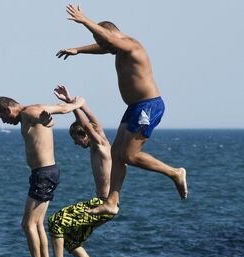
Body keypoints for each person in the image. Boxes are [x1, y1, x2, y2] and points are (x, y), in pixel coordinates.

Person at [56, 4, 187, 216]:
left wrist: (84, 20)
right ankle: (111, 202)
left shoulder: (131, 45)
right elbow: (105, 44)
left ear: (110, 35)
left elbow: (108, 41)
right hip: (134, 107)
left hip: (148, 106)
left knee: (129, 155)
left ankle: (175, 173)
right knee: (116, 154)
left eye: (104, 42)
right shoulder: (116, 47)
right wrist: (78, 50)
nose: (104, 48)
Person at [0, 94, 85, 257]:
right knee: (36, 224)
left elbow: (56, 111)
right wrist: (50, 118)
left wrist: (76, 104)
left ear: (7, 109)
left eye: (2, 117)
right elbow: (49, 116)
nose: (4, 122)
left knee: (27, 224)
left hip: (43, 175)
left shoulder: (28, 112)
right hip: (44, 173)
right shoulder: (31, 111)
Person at [46, 85, 113, 257]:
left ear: (86, 136)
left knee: (55, 221)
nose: (77, 145)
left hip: (103, 204)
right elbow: (93, 124)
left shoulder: (100, 145)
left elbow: (91, 125)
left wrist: (77, 105)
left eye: (77, 140)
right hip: (103, 202)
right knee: (70, 240)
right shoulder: (100, 143)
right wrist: (72, 103)